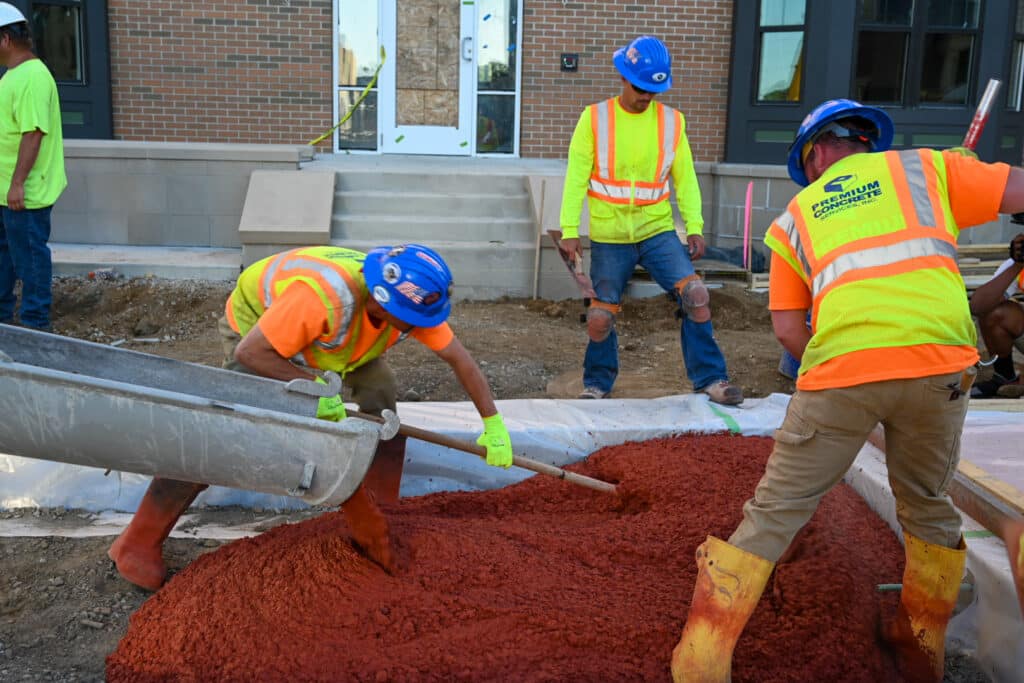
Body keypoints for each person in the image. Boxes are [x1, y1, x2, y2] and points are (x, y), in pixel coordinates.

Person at [670, 98, 1024, 683]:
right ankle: (921, 655)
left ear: (814, 157)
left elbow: (788, 330)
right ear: (867, 142)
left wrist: (845, 374)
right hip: (939, 367)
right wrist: (967, 177)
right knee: (929, 508)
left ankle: (700, 659)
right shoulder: (928, 170)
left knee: (775, 511)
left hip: (841, 372)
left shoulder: (793, 217)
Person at [108, 244, 515, 591]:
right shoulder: (322, 299)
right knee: (221, 427)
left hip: (335, 345)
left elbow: (459, 360)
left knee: (381, 396)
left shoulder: (407, 300)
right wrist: (316, 391)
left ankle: (382, 513)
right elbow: (250, 354)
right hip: (260, 337)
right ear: (380, 301)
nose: (416, 330)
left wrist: (492, 425)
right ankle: (138, 541)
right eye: (410, 322)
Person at [557, 34, 742, 405]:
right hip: (610, 235)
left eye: (653, 90)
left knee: (697, 294)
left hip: (656, 230)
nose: (646, 96)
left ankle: (711, 379)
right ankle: (597, 384)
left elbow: (685, 178)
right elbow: (576, 177)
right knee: (600, 317)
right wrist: (569, 230)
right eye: (640, 87)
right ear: (623, 77)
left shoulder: (673, 122)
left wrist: (695, 226)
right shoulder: (594, 118)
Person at [0, 2, 65, 331]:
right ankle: (4, 322)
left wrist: (17, 183)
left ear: (5, 39)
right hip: (8, 192)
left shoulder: (33, 78)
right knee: (6, 258)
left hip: (25, 192)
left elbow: (33, 133)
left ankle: (36, 327)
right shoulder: (14, 75)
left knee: (30, 258)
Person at [966, 232, 1024, 397]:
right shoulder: (1016, 265)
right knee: (995, 311)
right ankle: (1005, 377)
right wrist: (1017, 264)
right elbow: (978, 306)